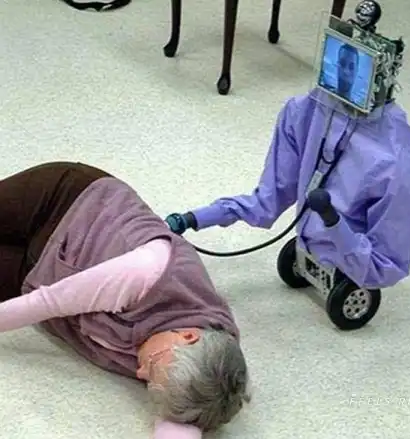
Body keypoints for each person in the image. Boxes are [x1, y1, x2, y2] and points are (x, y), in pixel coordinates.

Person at [0, 162, 251, 438]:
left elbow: (180, 419)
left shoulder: (202, 376)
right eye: (152, 367)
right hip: (65, 205)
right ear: (187, 336)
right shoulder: (149, 273)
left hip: (36, 272)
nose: (140, 373)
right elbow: (49, 301)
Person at [166, 89, 410, 290]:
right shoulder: (305, 110)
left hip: (350, 252)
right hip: (317, 232)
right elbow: (268, 199)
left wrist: (334, 224)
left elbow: (383, 263)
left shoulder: (400, 162)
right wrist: (193, 218)